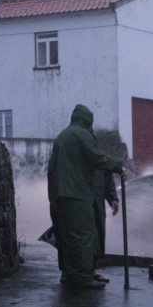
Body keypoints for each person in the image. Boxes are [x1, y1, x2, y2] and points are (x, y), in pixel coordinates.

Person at [48, 104, 124, 289]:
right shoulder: (83, 135)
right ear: (87, 120)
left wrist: (52, 198)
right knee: (84, 236)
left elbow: (51, 170)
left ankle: (70, 274)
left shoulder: (61, 137)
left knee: (67, 236)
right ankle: (83, 278)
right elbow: (99, 159)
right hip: (79, 195)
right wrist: (119, 166)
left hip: (62, 196)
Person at [91, 170, 119, 283]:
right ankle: (75, 272)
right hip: (80, 197)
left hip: (96, 199)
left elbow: (106, 174)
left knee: (98, 233)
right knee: (83, 235)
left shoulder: (100, 154)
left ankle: (91, 270)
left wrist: (113, 198)